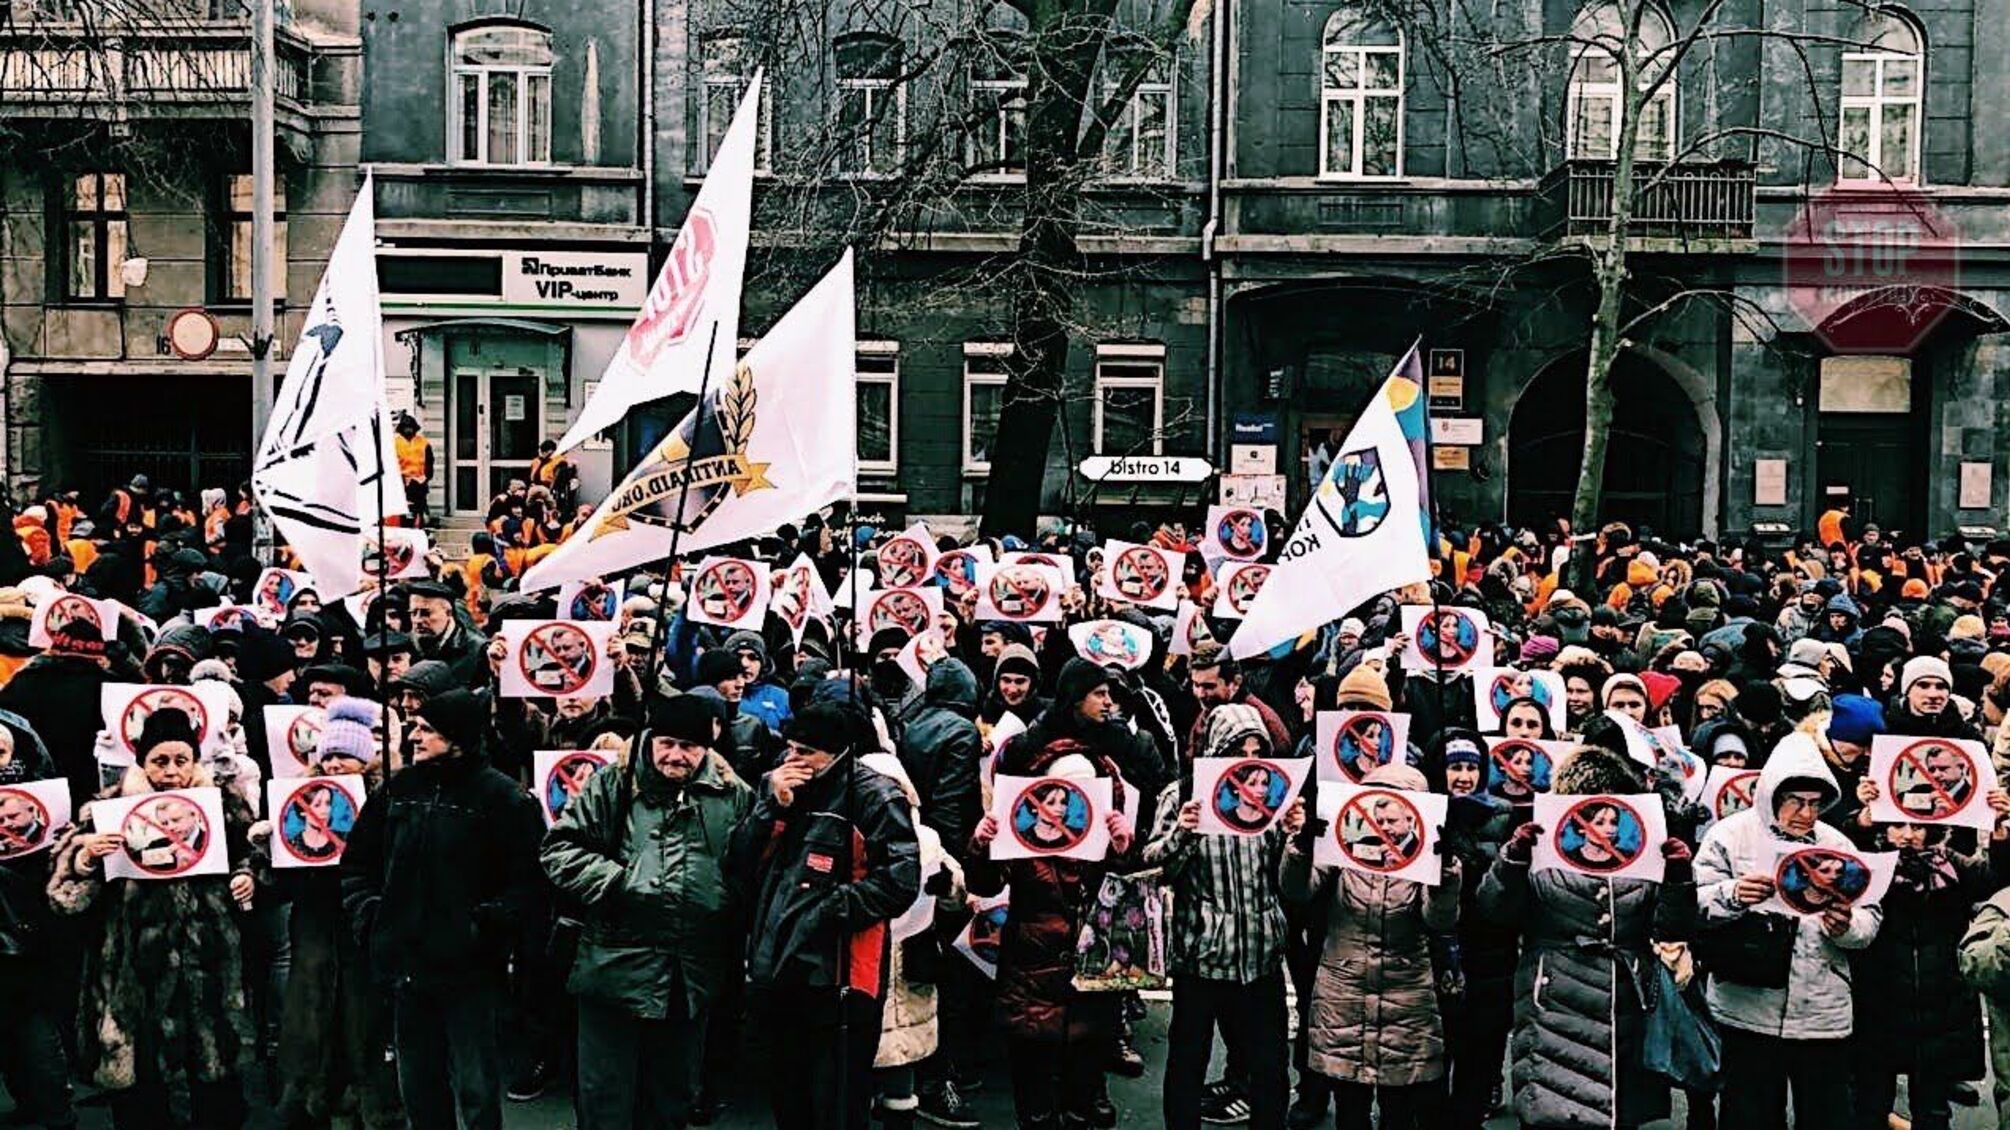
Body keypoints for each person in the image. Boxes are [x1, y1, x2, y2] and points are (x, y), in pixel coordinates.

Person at [542, 695, 753, 1130]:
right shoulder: (613, 784)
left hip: (688, 974)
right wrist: (620, 881)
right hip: (612, 964)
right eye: (667, 743)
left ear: (708, 746)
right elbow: (559, 850)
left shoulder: (733, 795)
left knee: (670, 1100)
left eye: (689, 747)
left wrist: (722, 898)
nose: (676, 755)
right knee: (605, 1100)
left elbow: (748, 868)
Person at [340, 689, 546, 1130]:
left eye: (426, 729)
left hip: (470, 970)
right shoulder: (398, 790)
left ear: (458, 737)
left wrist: (487, 926)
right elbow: (357, 862)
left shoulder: (504, 798)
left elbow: (528, 883)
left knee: (475, 1087)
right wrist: (371, 912)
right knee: (418, 1084)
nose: (414, 736)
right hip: (405, 963)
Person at [48, 707, 257, 1129]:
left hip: (208, 965)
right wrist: (87, 857)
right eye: (160, 761)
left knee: (217, 1086)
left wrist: (248, 877)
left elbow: (253, 855)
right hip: (134, 972)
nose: (172, 772)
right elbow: (62, 894)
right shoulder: (105, 810)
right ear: (142, 761)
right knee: (142, 1092)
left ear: (195, 761)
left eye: (182, 760)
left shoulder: (222, 805)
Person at [1478, 743, 1694, 1130]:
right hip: (1555, 1002)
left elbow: (1671, 927)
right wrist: (1511, 861)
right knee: (1553, 1107)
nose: (1608, 828)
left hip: (1625, 1003)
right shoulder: (1541, 851)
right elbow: (1495, 912)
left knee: (1619, 1111)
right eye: (1598, 817)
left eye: (1615, 818)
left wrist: (1679, 878)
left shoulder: (1643, 855)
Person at [728, 701, 922, 1130]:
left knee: (836, 1099)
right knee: (787, 1092)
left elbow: (901, 880)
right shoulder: (778, 787)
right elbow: (739, 861)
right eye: (790, 749)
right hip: (778, 963)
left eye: (805, 753)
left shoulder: (874, 795)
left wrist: (830, 908)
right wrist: (770, 808)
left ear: (836, 753)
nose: (792, 760)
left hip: (842, 971)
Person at [967, 660, 1137, 1130]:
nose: (1067, 806)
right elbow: (985, 884)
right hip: (1033, 960)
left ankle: (1082, 1107)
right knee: (1035, 1075)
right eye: (1099, 694)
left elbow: (1125, 882)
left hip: (1089, 957)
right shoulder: (1024, 796)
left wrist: (1124, 848)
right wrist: (981, 844)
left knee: (1083, 1068)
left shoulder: (1108, 763)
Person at [1694, 731, 1881, 1129]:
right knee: (1749, 1117)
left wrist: (1847, 926)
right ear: (1771, 796)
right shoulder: (1728, 835)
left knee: (1825, 1117)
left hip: (1822, 1009)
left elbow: (1871, 917)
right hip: (1746, 1006)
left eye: (1815, 803)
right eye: (1795, 802)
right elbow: (1692, 903)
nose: (1806, 813)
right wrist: (1733, 893)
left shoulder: (1838, 843)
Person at [1144, 703, 1297, 1130]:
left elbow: (1288, 881)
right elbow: (1157, 867)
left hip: (1260, 953)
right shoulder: (1183, 794)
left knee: (1269, 1065)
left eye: (1256, 750)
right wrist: (1184, 834)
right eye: (1237, 749)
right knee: (1188, 1060)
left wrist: (1294, 838)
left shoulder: (1271, 794)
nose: (1248, 759)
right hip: (1202, 953)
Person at [1284, 761, 1460, 1130]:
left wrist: (1445, 875)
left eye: (1393, 819)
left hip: (1406, 996)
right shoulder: (1342, 849)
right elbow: (1298, 890)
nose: (1383, 826)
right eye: (1376, 815)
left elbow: (1438, 919)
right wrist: (1301, 849)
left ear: (1414, 818)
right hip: (1343, 993)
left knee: (1399, 1112)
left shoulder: (1427, 858)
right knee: (1350, 1110)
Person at [273, 696, 404, 1130]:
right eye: (328, 756)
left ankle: (375, 1109)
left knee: (365, 1021)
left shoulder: (389, 800)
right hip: (314, 921)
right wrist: (261, 860)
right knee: (310, 1021)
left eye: (345, 756)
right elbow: (278, 873)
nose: (334, 765)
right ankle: (310, 1105)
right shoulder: (296, 798)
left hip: (364, 921)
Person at [395, 415, 435, 529]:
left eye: (410, 427)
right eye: (406, 427)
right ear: (401, 428)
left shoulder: (423, 443)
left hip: (419, 483)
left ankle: (419, 529)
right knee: (402, 512)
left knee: (419, 510)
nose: (408, 430)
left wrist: (426, 477)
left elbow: (429, 462)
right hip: (401, 483)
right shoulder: (394, 443)